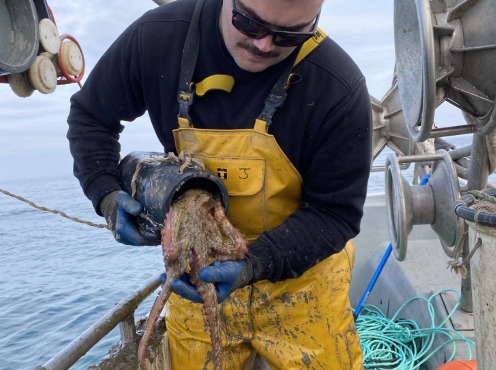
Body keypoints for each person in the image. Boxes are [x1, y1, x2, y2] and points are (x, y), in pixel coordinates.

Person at [67, 0, 372, 368]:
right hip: (200, 277)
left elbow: (335, 214)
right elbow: (91, 117)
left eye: (289, 35)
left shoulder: (337, 86)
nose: (264, 45)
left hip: (305, 281)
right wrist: (105, 193)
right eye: (249, 23)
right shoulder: (158, 38)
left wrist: (253, 265)